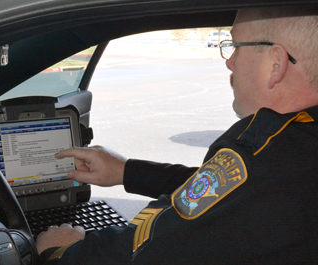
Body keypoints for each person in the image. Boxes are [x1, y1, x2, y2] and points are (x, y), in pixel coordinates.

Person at [36, 7, 318, 264]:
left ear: (276, 65)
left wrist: (61, 251)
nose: (230, 63)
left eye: (235, 47)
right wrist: (126, 171)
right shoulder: (295, 147)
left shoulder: (262, 158)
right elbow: (218, 191)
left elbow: (148, 248)